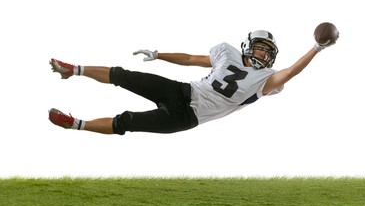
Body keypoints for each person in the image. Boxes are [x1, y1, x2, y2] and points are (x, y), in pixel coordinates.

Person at [48, 30, 335, 135]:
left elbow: (292, 71)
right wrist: (159, 54)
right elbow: (189, 59)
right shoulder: (228, 54)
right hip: (181, 91)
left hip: (186, 117)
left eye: (266, 51)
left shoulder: (266, 81)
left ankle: (75, 124)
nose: (262, 53)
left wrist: (316, 48)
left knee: (126, 122)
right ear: (248, 45)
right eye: (259, 47)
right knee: (124, 76)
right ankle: (73, 69)